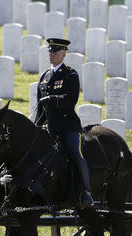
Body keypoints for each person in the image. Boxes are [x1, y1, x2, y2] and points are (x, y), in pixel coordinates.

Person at [34, 38, 94, 208]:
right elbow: (40, 107)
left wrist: (52, 100)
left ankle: (86, 193)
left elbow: (70, 101)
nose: (51, 55)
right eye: (49, 52)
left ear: (63, 53)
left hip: (67, 126)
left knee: (76, 153)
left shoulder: (70, 74)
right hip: (48, 127)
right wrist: (36, 127)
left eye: (54, 52)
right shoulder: (44, 76)